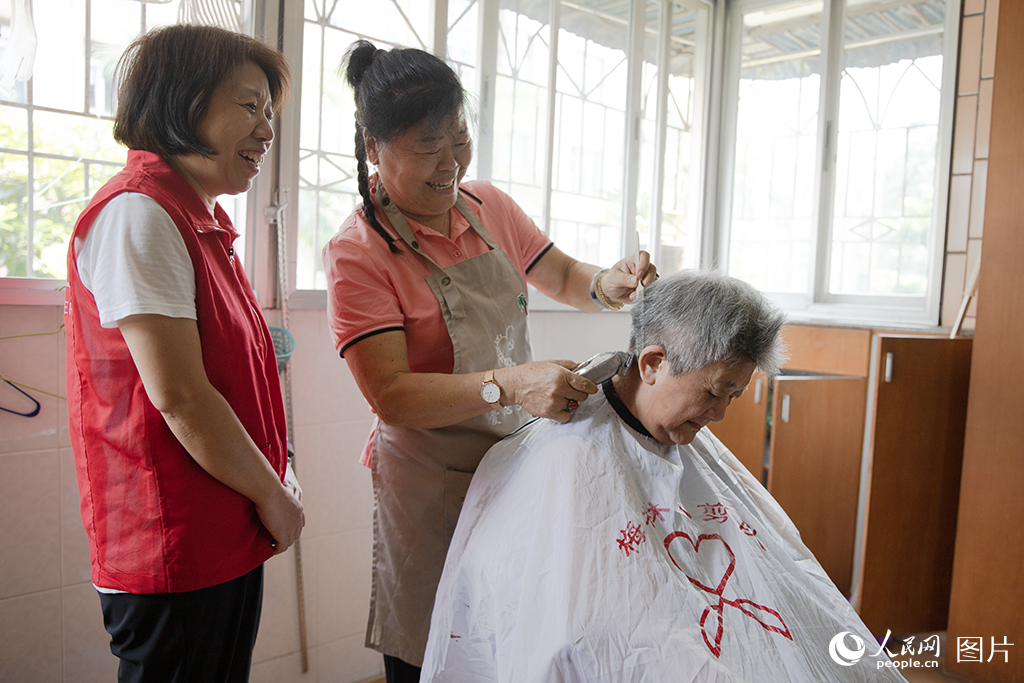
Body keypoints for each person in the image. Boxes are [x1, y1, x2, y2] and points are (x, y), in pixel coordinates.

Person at [322, 40, 658, 681]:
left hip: (512, 466)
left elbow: (557, 271)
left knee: (503, 635)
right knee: (431, 640)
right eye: (427, 147)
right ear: (373, 147)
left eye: (460, 138)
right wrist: (510, 385)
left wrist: (607, 284)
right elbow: (391, 393)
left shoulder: (486, 205)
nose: (450, 163)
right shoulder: (358, 252)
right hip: (427, 480)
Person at [420, 270, 908, 683]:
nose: (718, 416)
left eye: (733, 397)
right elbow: (576, 625)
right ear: (653, 363)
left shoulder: (688, 436)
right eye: (715, 392)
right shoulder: (564, 453)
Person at [64, 25, 304, 682]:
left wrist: (274, 479)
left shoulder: (199, 220)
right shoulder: (139, 214)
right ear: (185, 100)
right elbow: (182, 395)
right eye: (249, 105)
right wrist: (275, 497)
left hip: (220, 529)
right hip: (172, 542)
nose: (266, 130)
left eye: (269, 112)